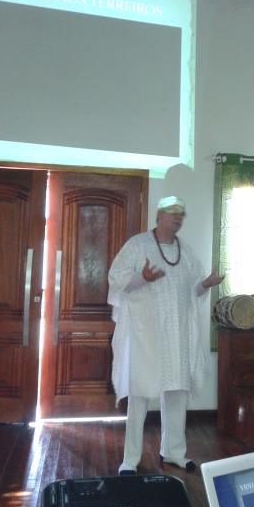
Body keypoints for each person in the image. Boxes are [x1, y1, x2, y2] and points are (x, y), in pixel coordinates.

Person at [108, 195, 223, 476]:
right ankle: (130, 459)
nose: (178, 219)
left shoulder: (186, 252)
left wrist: (206, 284)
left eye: (181, 214)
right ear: (159, 215)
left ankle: (173, 452)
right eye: (173, 213)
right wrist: (142, 278)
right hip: (146, 336)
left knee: (176, 393)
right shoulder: (137, 245)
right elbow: (116, 280)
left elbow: (193, 291)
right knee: (139, 397)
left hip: (177, 336)